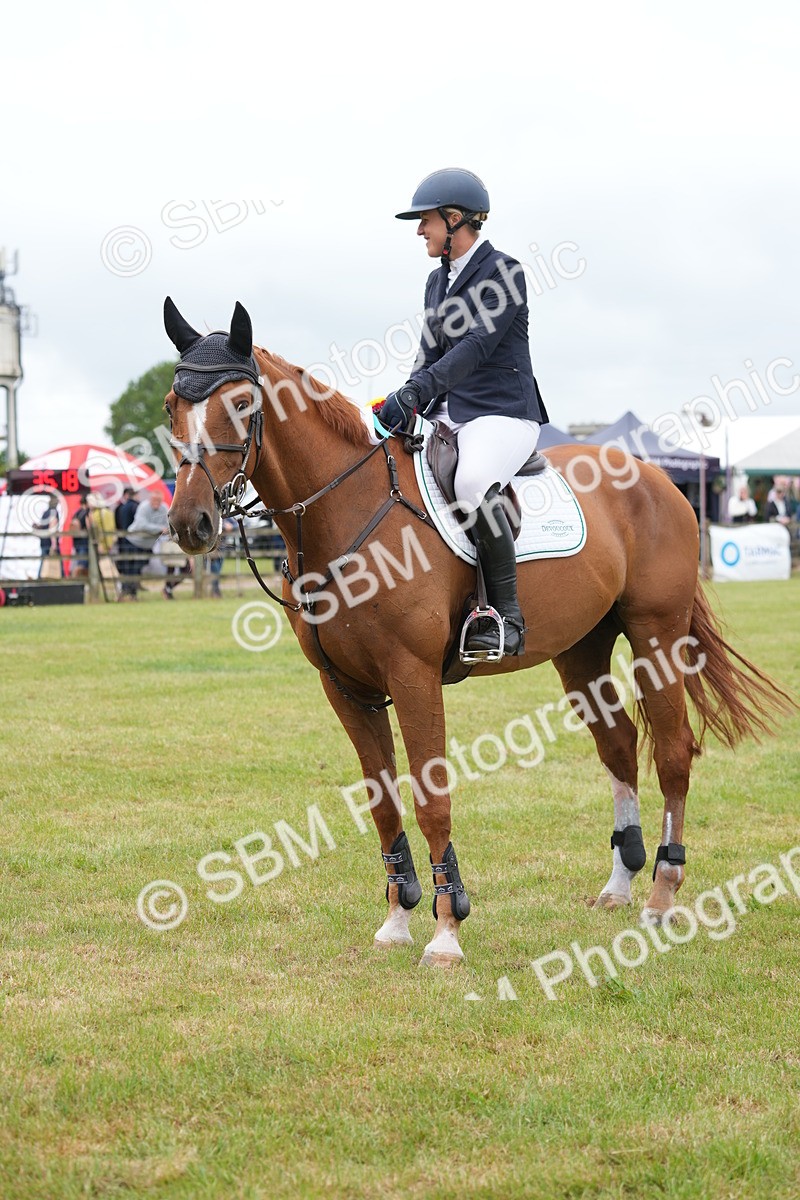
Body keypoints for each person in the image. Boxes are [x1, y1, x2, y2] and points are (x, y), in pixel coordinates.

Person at [381, 168, 549, 657]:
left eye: (426, 221)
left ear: (455, 220)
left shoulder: (504, 272)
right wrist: (404, 398)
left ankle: (508, 617)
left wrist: (418, 391)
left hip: (503, 414)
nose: (420, 231)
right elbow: (428, 355)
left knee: (473, 482)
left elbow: (476, 346)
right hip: (449, 413)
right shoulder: (436, 283)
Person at [123, 490, 169, 599]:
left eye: (159, 500)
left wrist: (161, 529)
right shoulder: (143, 507)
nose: (156, 502)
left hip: (147, 545)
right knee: (131, 569)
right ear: (149, 499)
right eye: (154, 500)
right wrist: (159, 529)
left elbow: (167, 525)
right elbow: (141, 524)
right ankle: (129, 592)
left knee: (139, 568)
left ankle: (129, 591)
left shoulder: (164, 509)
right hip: (133, 541)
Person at [34, 494, 63, 579]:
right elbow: (52, 527)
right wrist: (54, 544)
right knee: (58, 562)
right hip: (50, 542)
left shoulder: (45, 513)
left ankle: (39, 578)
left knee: (43, 561)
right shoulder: (54, 512)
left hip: (43, 541)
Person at [69, 495, 93, 575]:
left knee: (79, 562)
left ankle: (78, 581)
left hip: (76, 541)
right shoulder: (87, 512)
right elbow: (89, 526)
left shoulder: (76, 513)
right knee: (84, 564)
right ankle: (82, 582)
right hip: (84, 542)